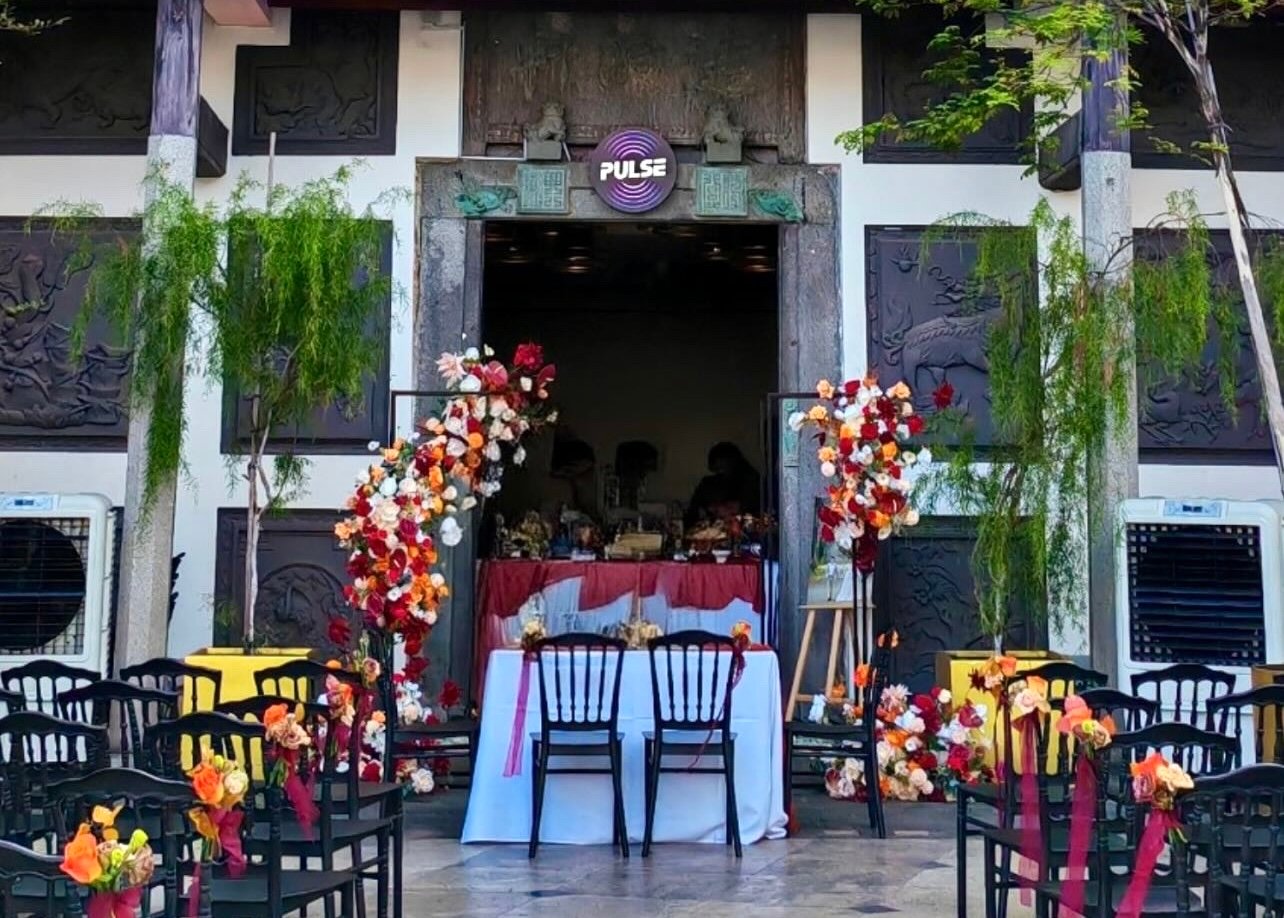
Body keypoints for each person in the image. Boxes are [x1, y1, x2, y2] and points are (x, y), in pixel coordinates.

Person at [685, 442, 761, 527]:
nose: (720, 472)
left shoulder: (750, 480)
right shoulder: (708, 483)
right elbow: (693, 512)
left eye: (722, 468)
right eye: (718, 469)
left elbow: (751, 508)